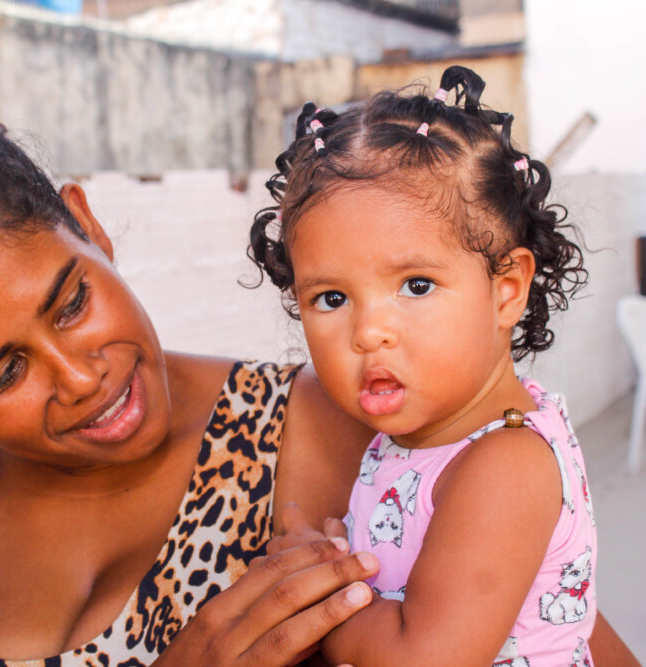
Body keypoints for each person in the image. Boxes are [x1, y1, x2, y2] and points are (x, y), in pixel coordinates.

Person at [0, 37, 636, 665]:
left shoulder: (332, 424)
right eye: (3, 371)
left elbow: (555, 629)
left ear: (89, 227)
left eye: (72, 301)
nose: (81, 375)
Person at [248, 66, 606, 665]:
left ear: (507, 289)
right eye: (331, 298)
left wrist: (321, 594)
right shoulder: (422, 437)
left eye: (416, 285)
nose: (369, 332)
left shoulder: (504, 465)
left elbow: (423, 657)